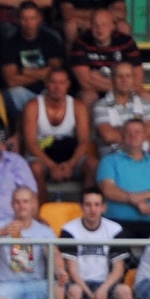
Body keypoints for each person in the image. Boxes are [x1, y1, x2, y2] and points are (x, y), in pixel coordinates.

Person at [60, 186, 133, 299]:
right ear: (82, 207)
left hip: (106, 284)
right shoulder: (69, 230)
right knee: (74, 292)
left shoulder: (115, 230)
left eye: (96, 205)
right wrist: (90, 294)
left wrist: (102, 291)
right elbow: (71, 269)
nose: (92, 209)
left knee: (124, 291)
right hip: (81, 284)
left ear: (103, 207)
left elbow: (118, 269)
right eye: (88, 205)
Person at [22, 68, 95, 203]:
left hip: (70, 155)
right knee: (35, 168)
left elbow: (84, 141)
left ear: (68, 84)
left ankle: (86, 210)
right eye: (53, 82)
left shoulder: (78, 106)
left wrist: (71, 164)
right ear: (46, 83)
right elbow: (30, 143)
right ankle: (41, 212)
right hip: (41, 156)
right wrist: (51, 166)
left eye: (62, 83)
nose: (57, 87)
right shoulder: (33, 106)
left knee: (92, 165)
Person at [97, 118, 150, 239]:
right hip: (117, 223)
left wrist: (145, 195)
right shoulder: (109, 161)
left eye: (137, 132)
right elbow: (108, 190)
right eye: (128, 132)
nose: (133, 135)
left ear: (145, 136)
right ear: (122, 136)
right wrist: (137, 202)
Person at [69, 8, 145, 110]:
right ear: (90, 26)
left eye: (104, 24)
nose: (100, 29)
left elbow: (138, 79)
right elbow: (86, 83)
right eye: (96, 24)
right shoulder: (80, 43)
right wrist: (122, 85)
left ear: (113, 26)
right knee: (88, 96)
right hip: (96, 92)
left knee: (146, 95)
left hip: (120, 90)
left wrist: (100, 80)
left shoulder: (126, 42)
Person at [0, 0, 65, 113]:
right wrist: (42, 74)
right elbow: (11, 81)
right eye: (24, 19)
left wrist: (27, 72)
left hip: (48, 92)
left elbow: (54, 73)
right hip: (23, 94)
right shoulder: (10, 43)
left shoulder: (50, 40)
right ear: (18, 20)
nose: (28, 23)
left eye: (32, 18)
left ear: (39, 19)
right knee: (12, 92)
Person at [93, 60, 150, 158]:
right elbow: (108, 136)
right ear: (112, 79)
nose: (124, 80)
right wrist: (137, 135)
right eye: (120, 76)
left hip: (142, 159)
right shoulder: (101, 105)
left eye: (128, 76)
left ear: (133, 79)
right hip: (113, 159)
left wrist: (119, 131)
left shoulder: (145, 104)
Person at [56, 0, 130, 46]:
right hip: (78, 21)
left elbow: (121, 12)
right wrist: (94, 19)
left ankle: (122, 60)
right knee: (70, 26)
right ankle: (75, 59)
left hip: (102, 20)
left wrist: (98, 20)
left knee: (123, 26)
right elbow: (67, 13)